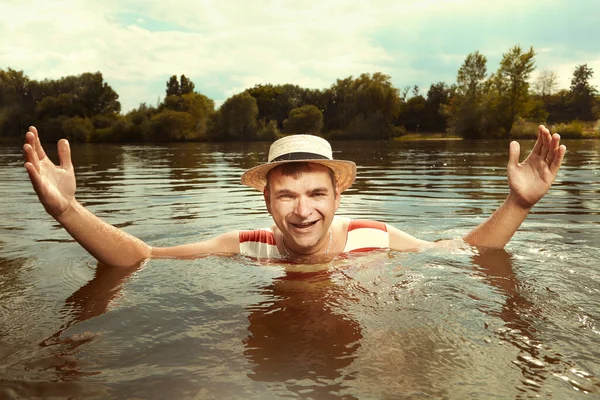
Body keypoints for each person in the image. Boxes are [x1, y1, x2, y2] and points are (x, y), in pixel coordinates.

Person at [22, 125, 566, 267]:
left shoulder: (374, 237)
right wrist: (69, 211)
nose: (302, 210)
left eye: (314, 193)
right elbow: (142, 257)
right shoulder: (248, 245)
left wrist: (518, 204)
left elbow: (467, 253)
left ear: (337, 193)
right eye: (286, 196)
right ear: (266, 200)